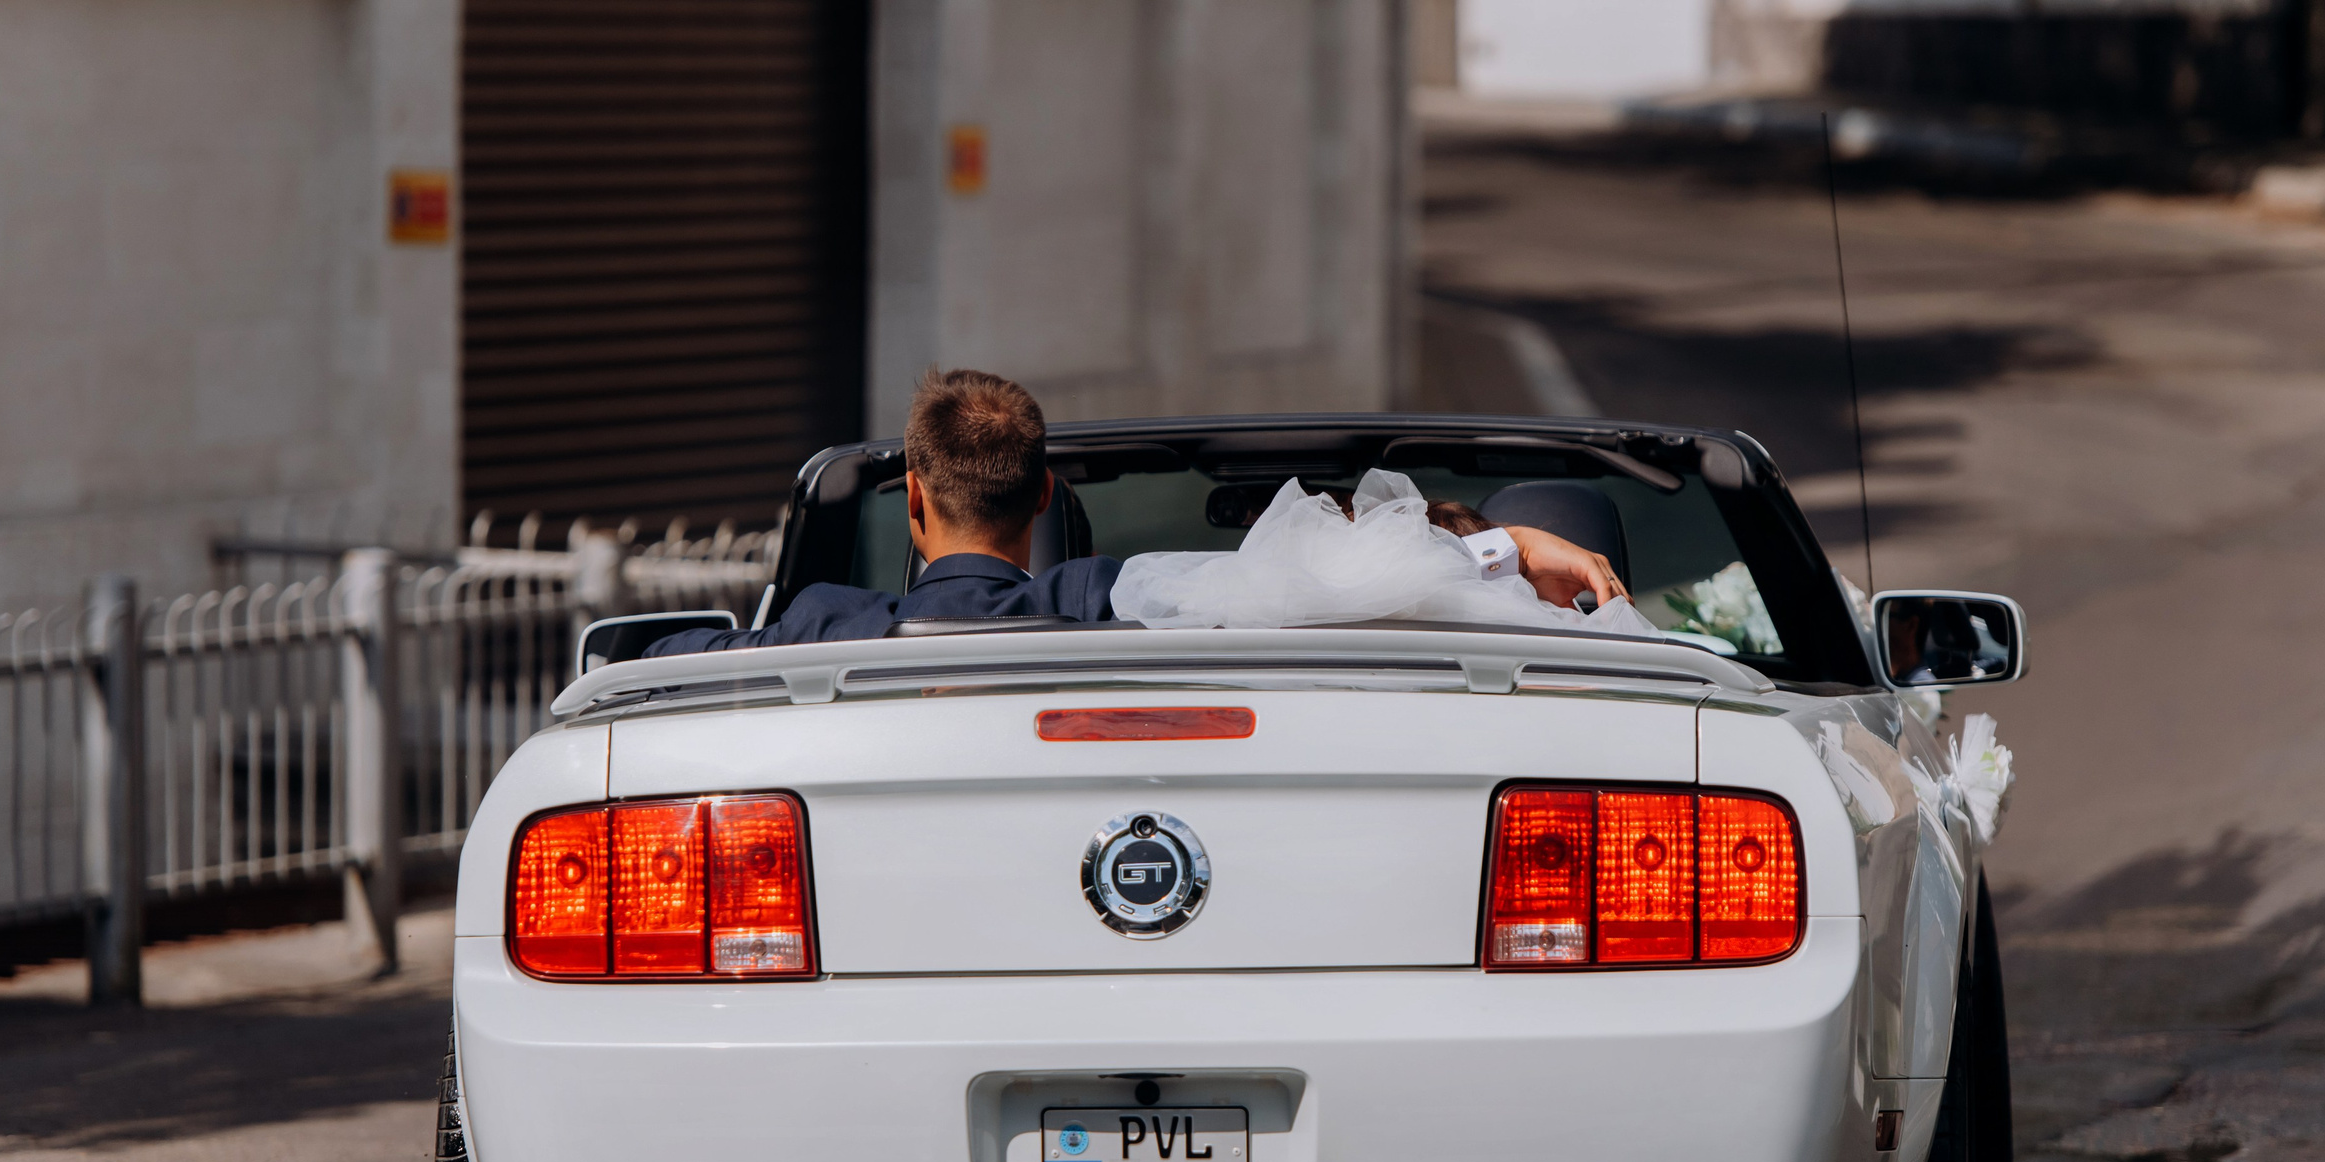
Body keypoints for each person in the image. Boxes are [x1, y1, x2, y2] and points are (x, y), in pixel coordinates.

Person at [646, 368, 1625, 655]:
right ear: (1043, 496)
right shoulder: (1097, 599)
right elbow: (1320, 586)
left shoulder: (820, 623)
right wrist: (1509, 544)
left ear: (912, 497)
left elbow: (645, 668)